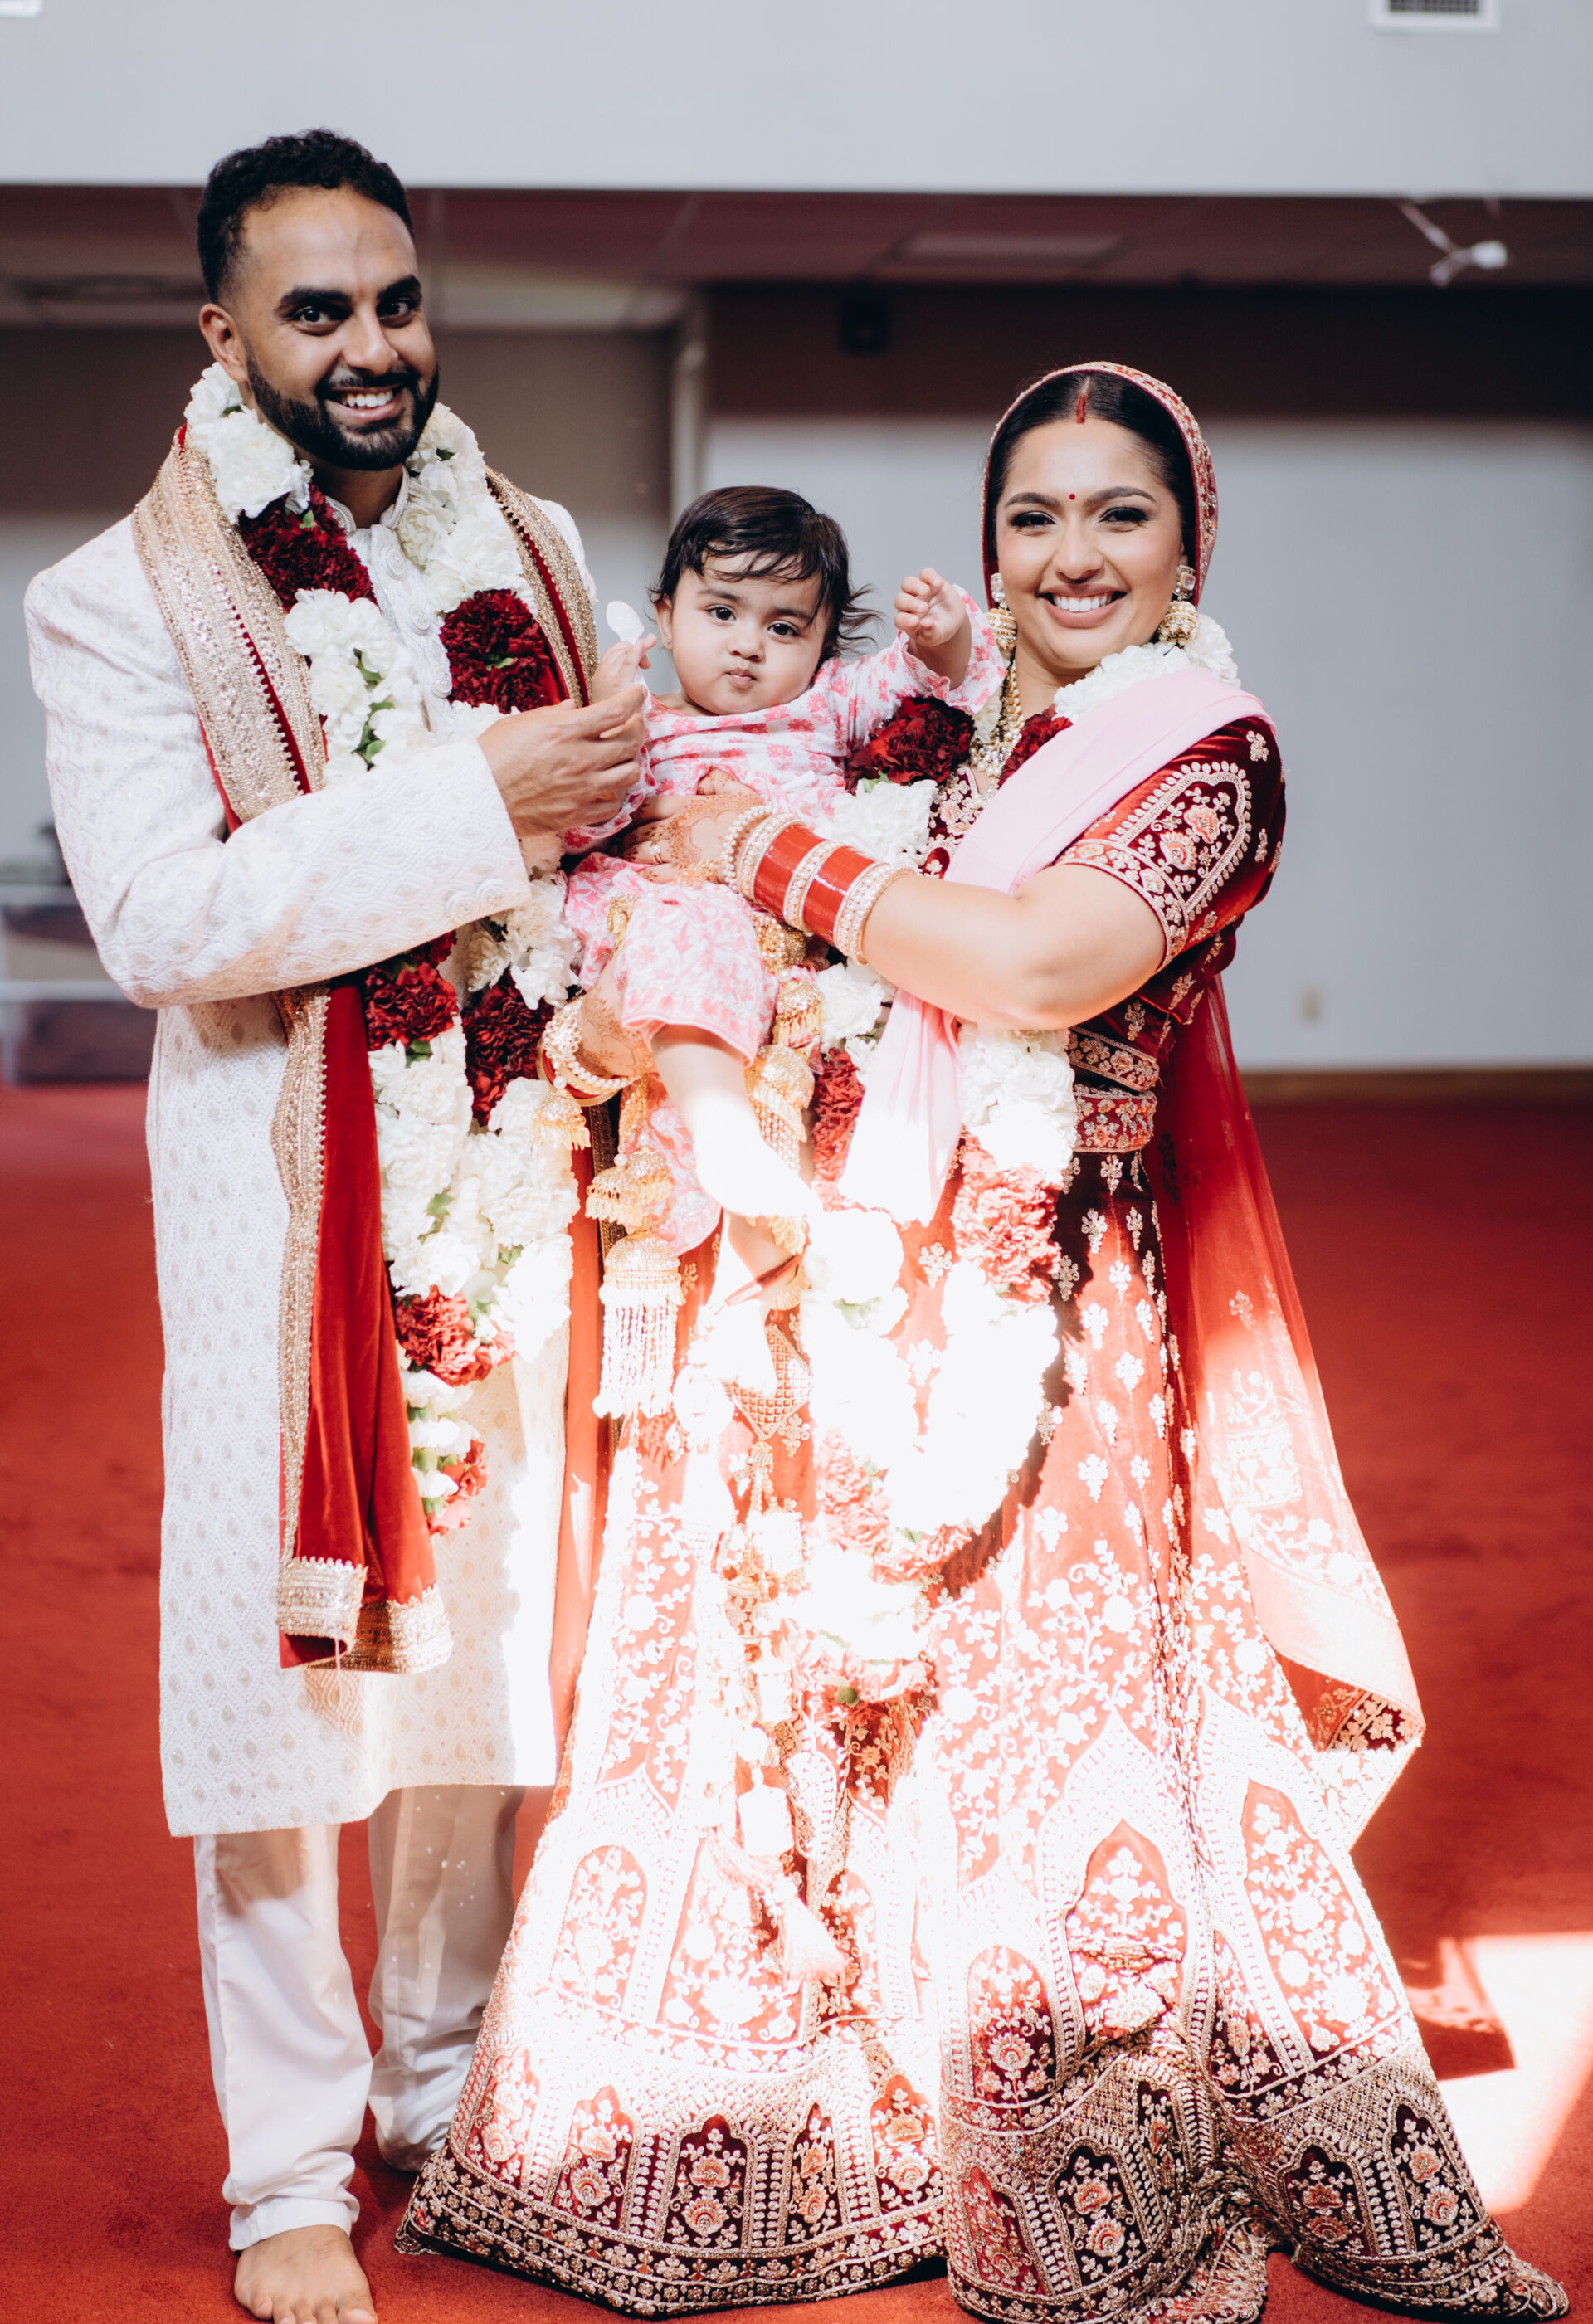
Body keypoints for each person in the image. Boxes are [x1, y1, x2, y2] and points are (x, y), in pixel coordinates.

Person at [401, 364, 1566, 2323]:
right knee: (799, 1678)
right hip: (833, 1256)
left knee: (1029, 1709)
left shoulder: (1205, 756)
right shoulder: (959, 738)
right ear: (989, 542)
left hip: (1055, 1300)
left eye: (1120, 513)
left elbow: (1028, 967)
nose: (1072, 553)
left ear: (1191, 544)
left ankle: (1060, 2140)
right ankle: (807, 2126)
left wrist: (751, 855)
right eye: (1034, 514)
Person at [27, 129, 645, 2324]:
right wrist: (481, 807)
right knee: (282, 1691)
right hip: (281, 1208)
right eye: (318, 311)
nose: (373, 345)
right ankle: (289, 2170)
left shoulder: (537, 547)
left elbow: (631, 812)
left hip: (516, 1177)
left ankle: (443, 2086)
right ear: (226, 336)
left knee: (485, 1652)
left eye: (394, 300)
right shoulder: (115, 597)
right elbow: (162, 923)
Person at [562, 484, 1001, 1393]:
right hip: (676, 928)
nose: (748, 645)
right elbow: (577, 829)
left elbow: (930, 681)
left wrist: (945, 634)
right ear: (664, 615)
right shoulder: (647, 725)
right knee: (696, 924)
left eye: (785, 626)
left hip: (794, 937)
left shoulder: (826, 703)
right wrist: (605, 722)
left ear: (824, 643)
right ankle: (721, 1136)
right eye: (721, 612)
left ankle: (756, 1289)